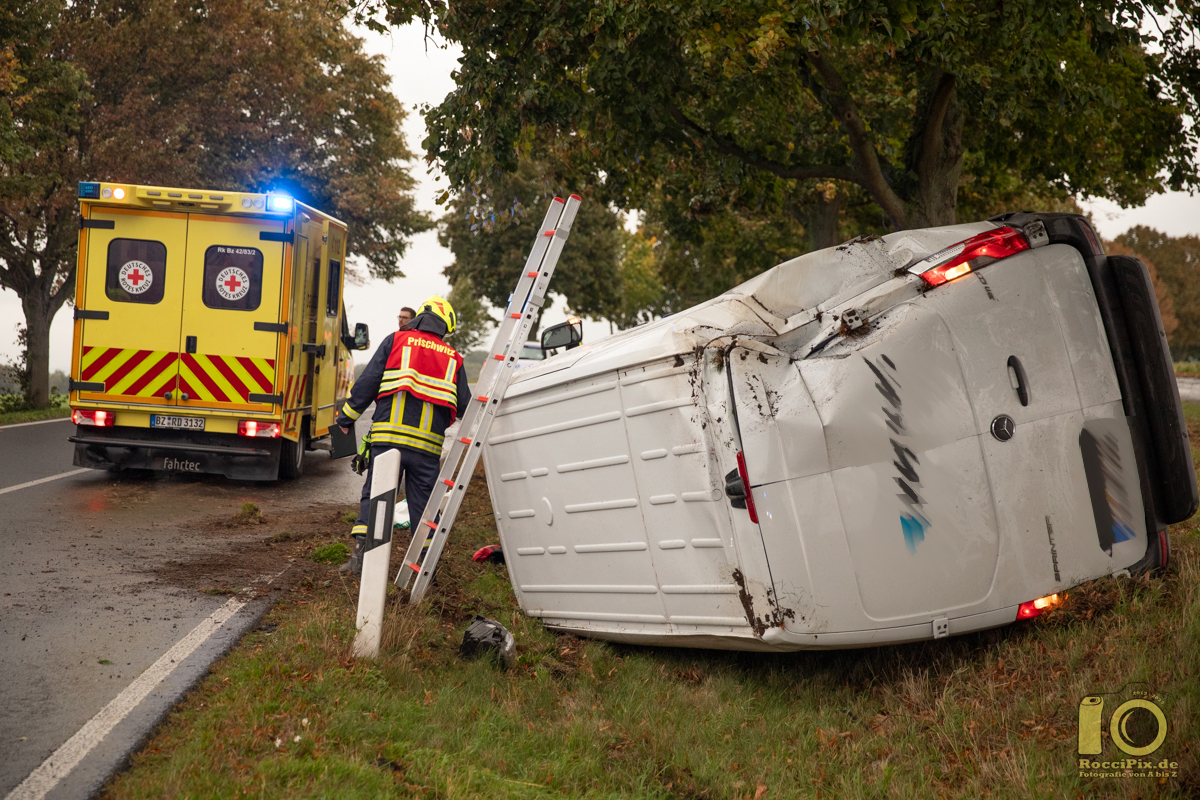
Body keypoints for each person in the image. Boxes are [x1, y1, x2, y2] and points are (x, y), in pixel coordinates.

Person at [338, 296, 471, 575]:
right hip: (426, 450)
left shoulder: (396, 341)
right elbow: (465, 407)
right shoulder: (453, 358)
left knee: (377, 497)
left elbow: (368, 381)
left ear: (419, 318)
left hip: (388, 442)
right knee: (424, 509)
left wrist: (347, 418)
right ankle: (425, 571)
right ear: (444, 326)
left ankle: (360, 561)